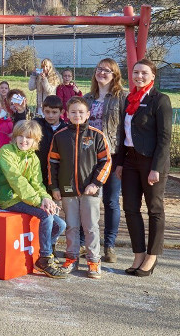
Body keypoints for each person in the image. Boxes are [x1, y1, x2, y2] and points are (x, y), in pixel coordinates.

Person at [114, 59, 172, 277]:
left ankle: (152, 256)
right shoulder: (130, 99)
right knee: (130, 208)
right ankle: (138, 253)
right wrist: (120, 162)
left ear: (153, 76)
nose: (139, 76)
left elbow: (165, 139)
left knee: (155, 209)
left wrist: (156, 168)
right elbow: (123, 134)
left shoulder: (161, 100)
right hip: (129, 160)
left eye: (144, 73)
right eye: (136, 72)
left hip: (151, 162)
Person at [48, 97, 112, 279]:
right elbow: (52, 163)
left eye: (81, 112)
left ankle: (93, 261)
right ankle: (71, 258)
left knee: (91, 227)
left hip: (90, 191)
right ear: (66, 114)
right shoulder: (59, 136)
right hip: (67, 190)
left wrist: (96, 183)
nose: (77, 115)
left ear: (88, 115)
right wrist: (54, 187)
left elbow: (106, 162)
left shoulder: (96, 135)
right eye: (73, 112)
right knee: (72, 226)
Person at [0, 120, 67, 278]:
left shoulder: (33, 158)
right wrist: (39, 202)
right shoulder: (6, 151)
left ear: (36, 140)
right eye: (20, 136)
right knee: (45, 214)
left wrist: (47, 199)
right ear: (14, 137)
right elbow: (16, 180)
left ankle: (44, 251)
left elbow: (37, 183)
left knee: (61, 224)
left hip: (29, 198)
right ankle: (44, 259)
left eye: (29, 138)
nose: (24, 140)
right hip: (10, 199)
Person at [83, 57, 127, 263]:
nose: (102, 73)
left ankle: (109, 245)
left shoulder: (121, 98)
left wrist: (123, 160)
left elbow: (127, 130)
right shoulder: (87, 98)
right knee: (88, 199)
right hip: (88, 155)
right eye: (99, 69)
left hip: (113, 155)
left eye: (107, 70)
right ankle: (85, 242)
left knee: (110, 201)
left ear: (115, 75)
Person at [34, 95, 66, 189]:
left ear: (62, 112)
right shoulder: (37, 124)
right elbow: (22, 130)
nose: (50, 115)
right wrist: (21, 112)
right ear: (42, 110)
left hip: (58, 173)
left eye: (54, 112)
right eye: (47, 112)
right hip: (39, 171)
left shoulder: (66, 129)